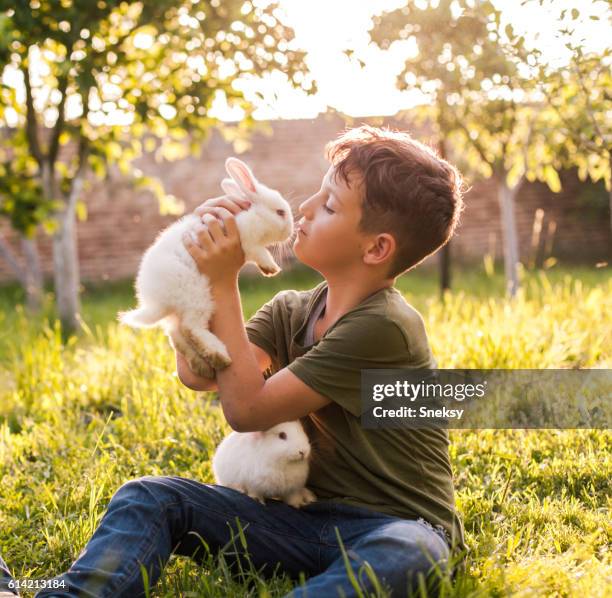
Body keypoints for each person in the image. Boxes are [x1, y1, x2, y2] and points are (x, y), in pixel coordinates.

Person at [2, 125, 465, 597]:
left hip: (393, 526)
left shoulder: (384, 325)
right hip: (298, 518)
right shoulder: (291, 310)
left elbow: (246, 410)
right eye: (317, 193)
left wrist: (226, 283)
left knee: (410, 551)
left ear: (376, 248)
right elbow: (198, 373)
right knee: (150, 496)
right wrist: (200, 269)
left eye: (328, 206)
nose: (304, 209)